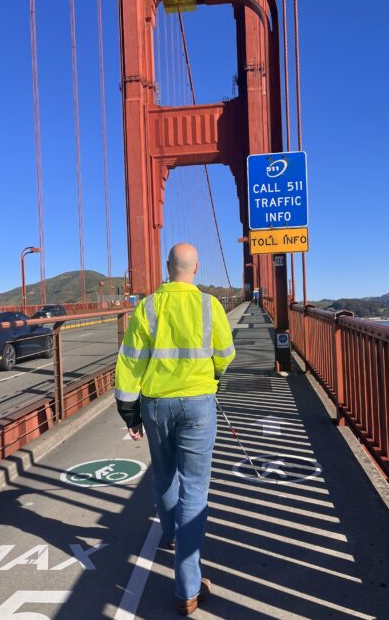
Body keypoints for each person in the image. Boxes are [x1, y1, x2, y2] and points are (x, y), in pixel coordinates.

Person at [115, 243, 236, 615]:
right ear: (196, 268)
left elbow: (131, 363)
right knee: (195, 490)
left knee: (164, 475)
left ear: (168, 267)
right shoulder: (209, 305)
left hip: (156, 405)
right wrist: (213, 377)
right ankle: (187, 587)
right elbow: (226, 353)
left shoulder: (147, 307)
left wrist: (129, 412)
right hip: (198, 404)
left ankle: (168, 534)